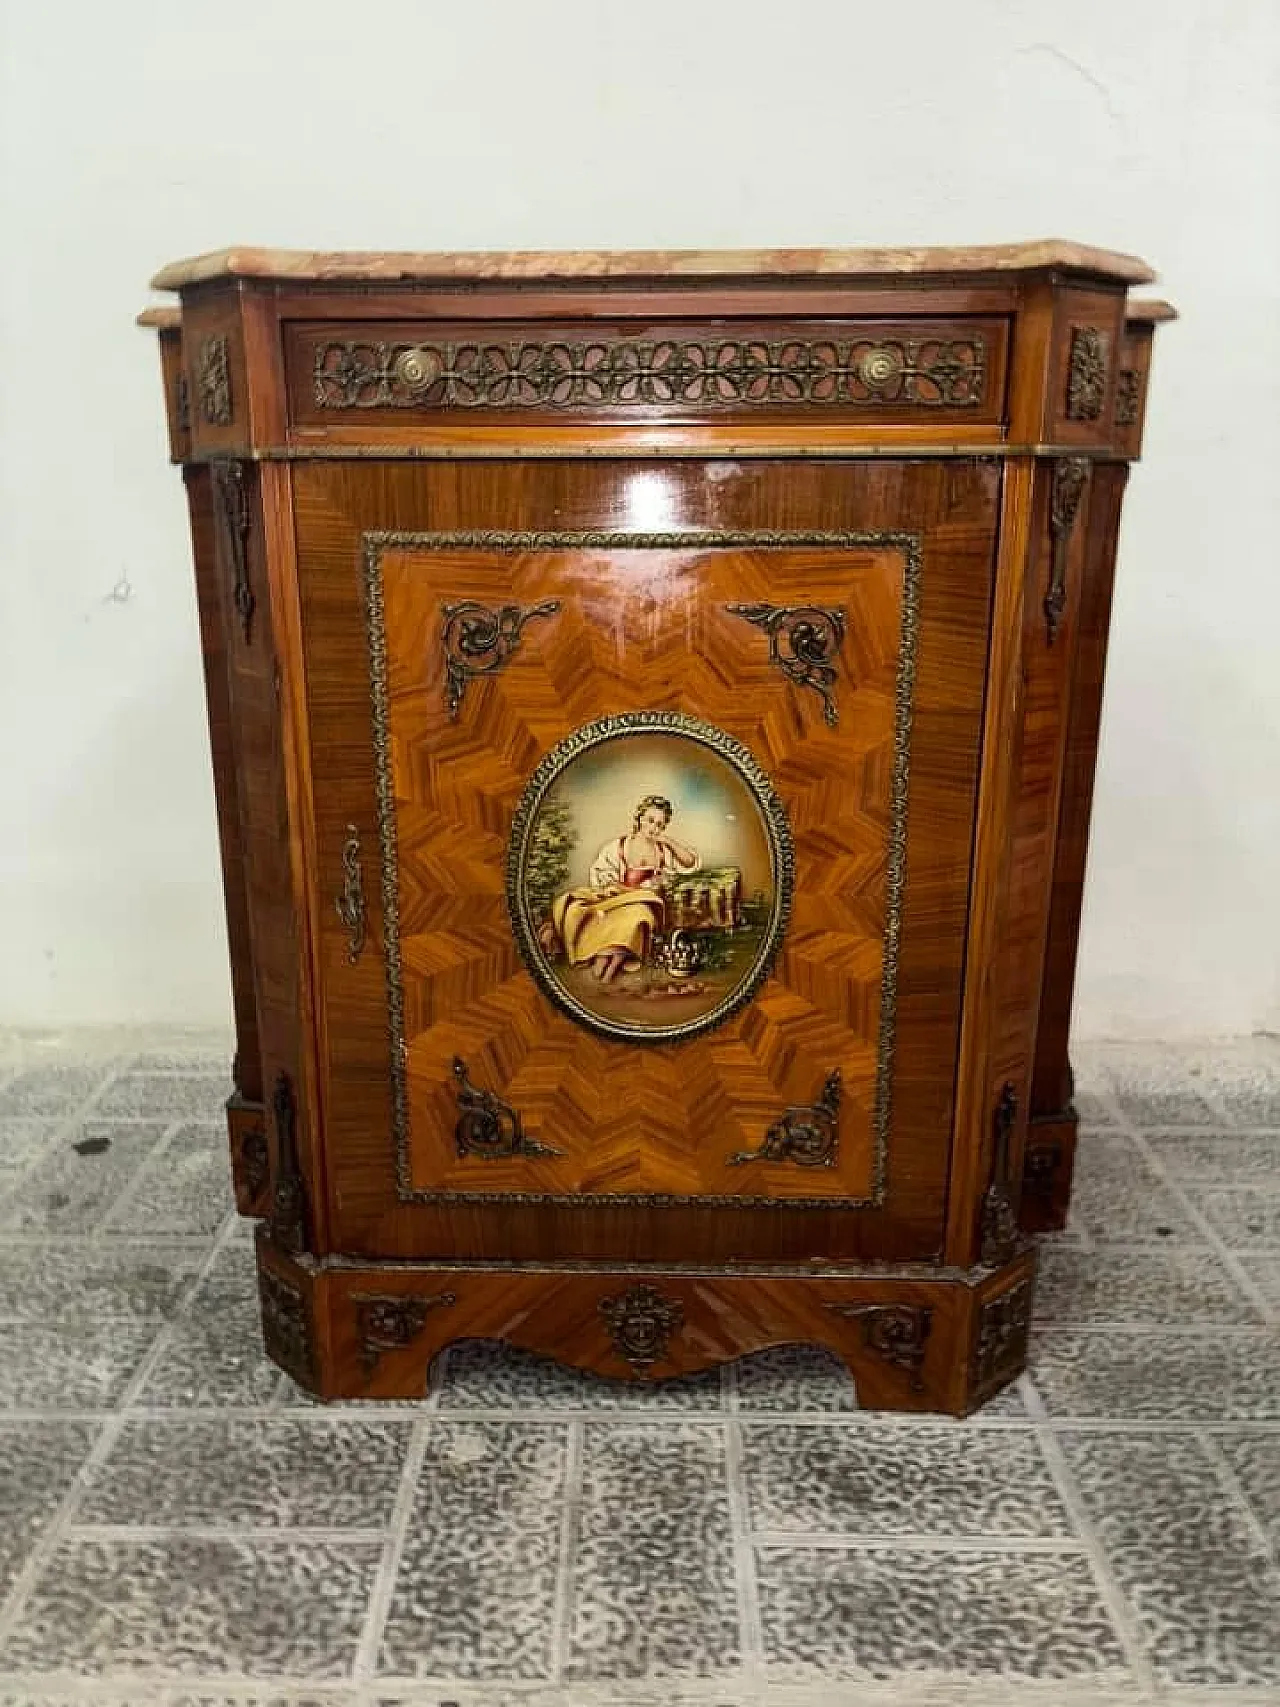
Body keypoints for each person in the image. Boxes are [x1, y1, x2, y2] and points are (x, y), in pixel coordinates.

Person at [546, 795, 700, 983]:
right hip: (618, 898)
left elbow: (690, 862)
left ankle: (611, 965)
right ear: (639, 818)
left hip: (643, 902)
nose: (654, 828)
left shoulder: (662, 851)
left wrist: (667, 841)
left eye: (660, 825)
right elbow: (602, 876)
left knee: (637, 916)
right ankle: (603, 958)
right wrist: (621, 890)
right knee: (582, 909)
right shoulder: (619, 847)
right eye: (650, 821)